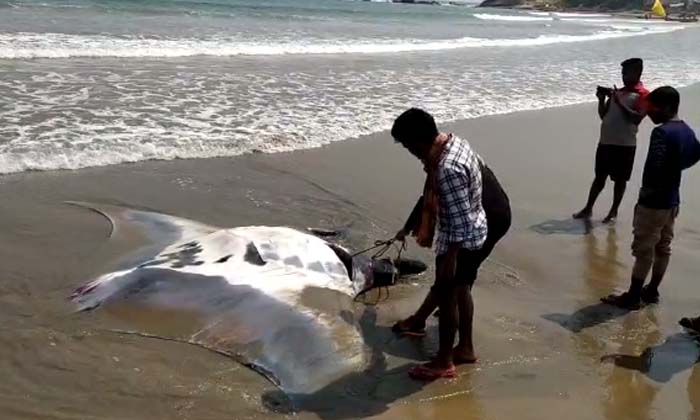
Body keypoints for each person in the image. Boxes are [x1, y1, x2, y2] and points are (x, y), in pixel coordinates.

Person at [389, 108, 511, 380]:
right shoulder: (451, 144)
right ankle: (464, 349)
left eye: (410, 146)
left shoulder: (447, 168)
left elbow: (458, 222)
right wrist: (408, 226)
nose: (411, 152)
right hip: (476, 226)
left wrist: (450, 260)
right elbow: (434, 193)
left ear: (420, 140)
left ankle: (443, 362)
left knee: (448, 294)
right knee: (461, 289)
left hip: (465, 236)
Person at [601, 86, 700, 309]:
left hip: (653, 202)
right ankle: (652, 290)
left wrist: (649, 191)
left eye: (652, 108)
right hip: (672, 200)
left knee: (644, 250)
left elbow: (655, 165)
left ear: (666, 107)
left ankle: (633, 296)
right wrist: (676, 168)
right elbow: (695, 154)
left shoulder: (662, 132)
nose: (649, 113)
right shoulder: (685, 129)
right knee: (663, 247)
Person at [573, 58, 649, 223]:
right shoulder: (618, 92)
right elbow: (604, 116)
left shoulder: (643, 95)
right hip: (605, 143)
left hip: (625, 145)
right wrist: (601, 100)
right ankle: (588, 208)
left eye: (626, 73)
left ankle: (613, 211)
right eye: (622, 73)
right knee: (599, 177)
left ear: (637, 73)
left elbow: (636, 119)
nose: (623, 77)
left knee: (620, 181)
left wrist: (620, 102)